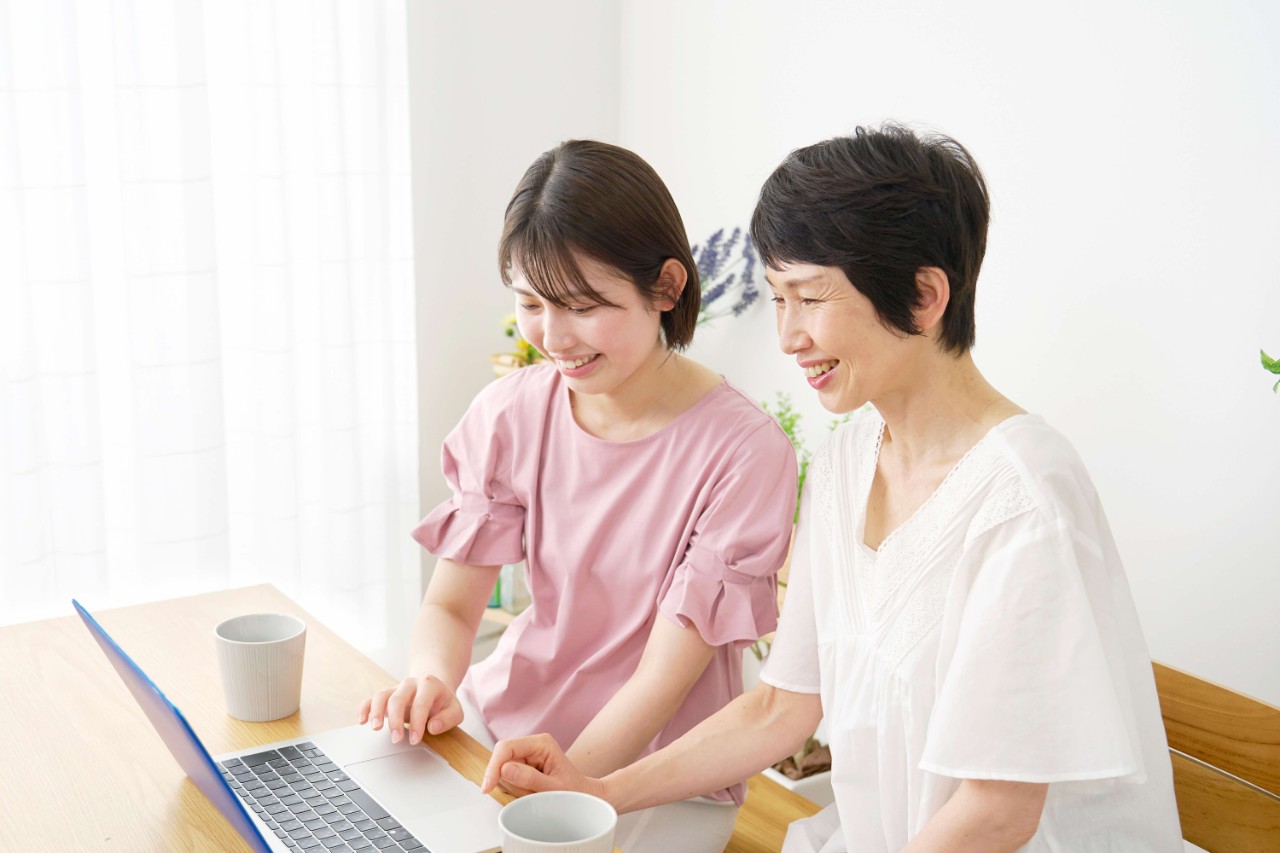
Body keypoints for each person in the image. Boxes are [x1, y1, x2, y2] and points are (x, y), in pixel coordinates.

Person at [481, 125, 1185, 852]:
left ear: (922, 296)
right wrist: (599, 790)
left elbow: (999, 813)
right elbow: (780, 708)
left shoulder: (1024, 498)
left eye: (809, 298)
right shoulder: (848, 459)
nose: (787, 336)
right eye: (776, 298)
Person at [357, 140, 798, 852]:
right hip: (503, 723)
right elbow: (449, 603)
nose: (553, 338)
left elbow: (662, 679)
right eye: (531, 303)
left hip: (657, 774)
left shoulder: (747, 453)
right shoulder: (510, 412)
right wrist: (432, 677)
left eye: (583, 306)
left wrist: (572, 782)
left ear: (666, 286)